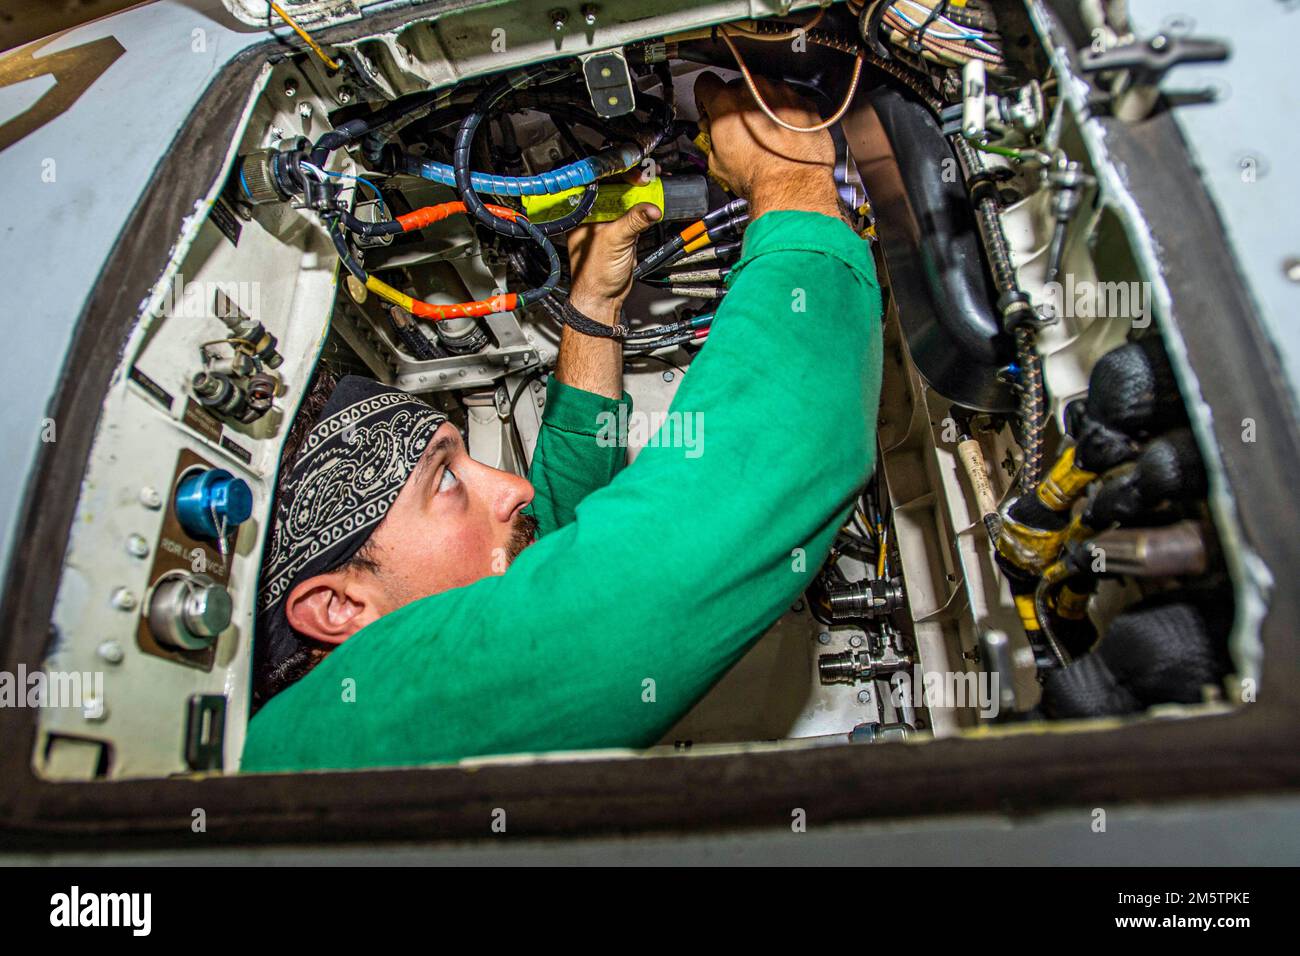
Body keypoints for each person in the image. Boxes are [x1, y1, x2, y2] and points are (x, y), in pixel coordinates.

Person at [241, 74, 883, 771]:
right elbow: (643, 592)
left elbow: (559, 531)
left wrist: (593, 305)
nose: (507, 487)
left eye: (461, 457)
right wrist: (787, 183)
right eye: (445, 482)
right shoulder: (329, 735)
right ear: (337, 608)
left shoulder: (370, 723)